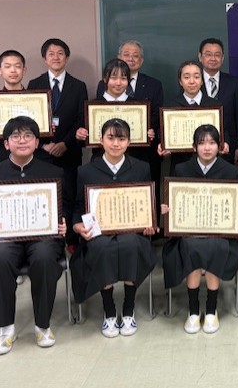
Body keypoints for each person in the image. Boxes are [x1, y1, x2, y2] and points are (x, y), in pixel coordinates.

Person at [0, 116, 67, 355]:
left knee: (45, 256)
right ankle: (6, 328)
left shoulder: (53, 172)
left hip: (42, 237)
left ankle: (42, 325)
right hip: (6, 239)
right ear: (6, 144)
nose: (22, 141)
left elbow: (62, 208)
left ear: (37, 142)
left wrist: (63, 223)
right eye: (15, 136)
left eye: (28, 136)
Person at [71, 118, 157, 338]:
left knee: (130, 244)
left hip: (132, 231)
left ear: (129, 142)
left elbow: (148, 204)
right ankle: (109, 310)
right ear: (101, 140)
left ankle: (128, 308)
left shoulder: (141, 168)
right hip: (100, 233)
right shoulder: (86, 171)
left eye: (121, 138)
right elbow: (79, 207)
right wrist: (77, 226)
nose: (116, 144)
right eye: (110, 138)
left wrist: (150, 223)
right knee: (102, 248)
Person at [161, 124, 238, 334]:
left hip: (219, 231)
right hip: (190, 231)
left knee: (216, 246)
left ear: (220, 146)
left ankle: (211, 309)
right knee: (190, 246)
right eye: (202, 143)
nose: (207, 148)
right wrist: (168, 208)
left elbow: (235, 205)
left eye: (212, 143)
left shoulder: (231, 171)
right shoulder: (182, 169)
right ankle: (192, 310)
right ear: (194, 147)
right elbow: (176, 200)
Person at [28, 38, 88, 248]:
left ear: (67, 57)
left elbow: (82, 119)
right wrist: (42, 145)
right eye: (51, 54)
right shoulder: (34, 84)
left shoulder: (78, 86)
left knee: (69, 195)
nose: (56, 57)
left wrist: (65, 143)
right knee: (44, 196)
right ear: (45, 58)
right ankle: (46, 238)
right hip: (41, 153)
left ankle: (71, 239)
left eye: (60, 53)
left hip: (69, 152)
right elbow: (30, 118)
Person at [96, 41, 165, 185]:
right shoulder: (97, 99)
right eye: (126, 54)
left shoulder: (145, 93)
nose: (118, 83)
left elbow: (155, 116)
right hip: (103, 159)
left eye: (135, 55)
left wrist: (145, 131)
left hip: (138, 156)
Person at [75, 59, 155, 160]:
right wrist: (80, 136)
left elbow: (144, 143)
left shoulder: (138, 107)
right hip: (100, 161)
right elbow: (84, 142)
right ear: (105, 79)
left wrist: (148, 136)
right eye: (113, 78)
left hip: (132, 161)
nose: (118, 83)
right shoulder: (93, 107)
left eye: (123, 78)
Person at [158, 60, 229, 175]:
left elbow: (224, 130)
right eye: (186, 77)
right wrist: (162, 145)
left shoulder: (214, 105)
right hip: (180, 165)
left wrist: (225, 143)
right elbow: (162, 133)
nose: (192, 81)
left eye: (196, 77)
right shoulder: (170, 107)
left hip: (211, 165)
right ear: (180, 81)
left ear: (202, 81)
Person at [0, 50, 47, 165]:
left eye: (17, 66)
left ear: (24, 70)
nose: (13, 70)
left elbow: (44, 138)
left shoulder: (36, 101)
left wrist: (48, 128)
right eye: (7, 66)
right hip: (2, 160)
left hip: (34, 160)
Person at [198, 38, 238, 163]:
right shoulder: (193, 82)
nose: (213, 58)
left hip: (228, 146)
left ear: (222, 58)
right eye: (208, 54)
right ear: (200, 57)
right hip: (200, 147)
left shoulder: (234, 83)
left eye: (217, 55)